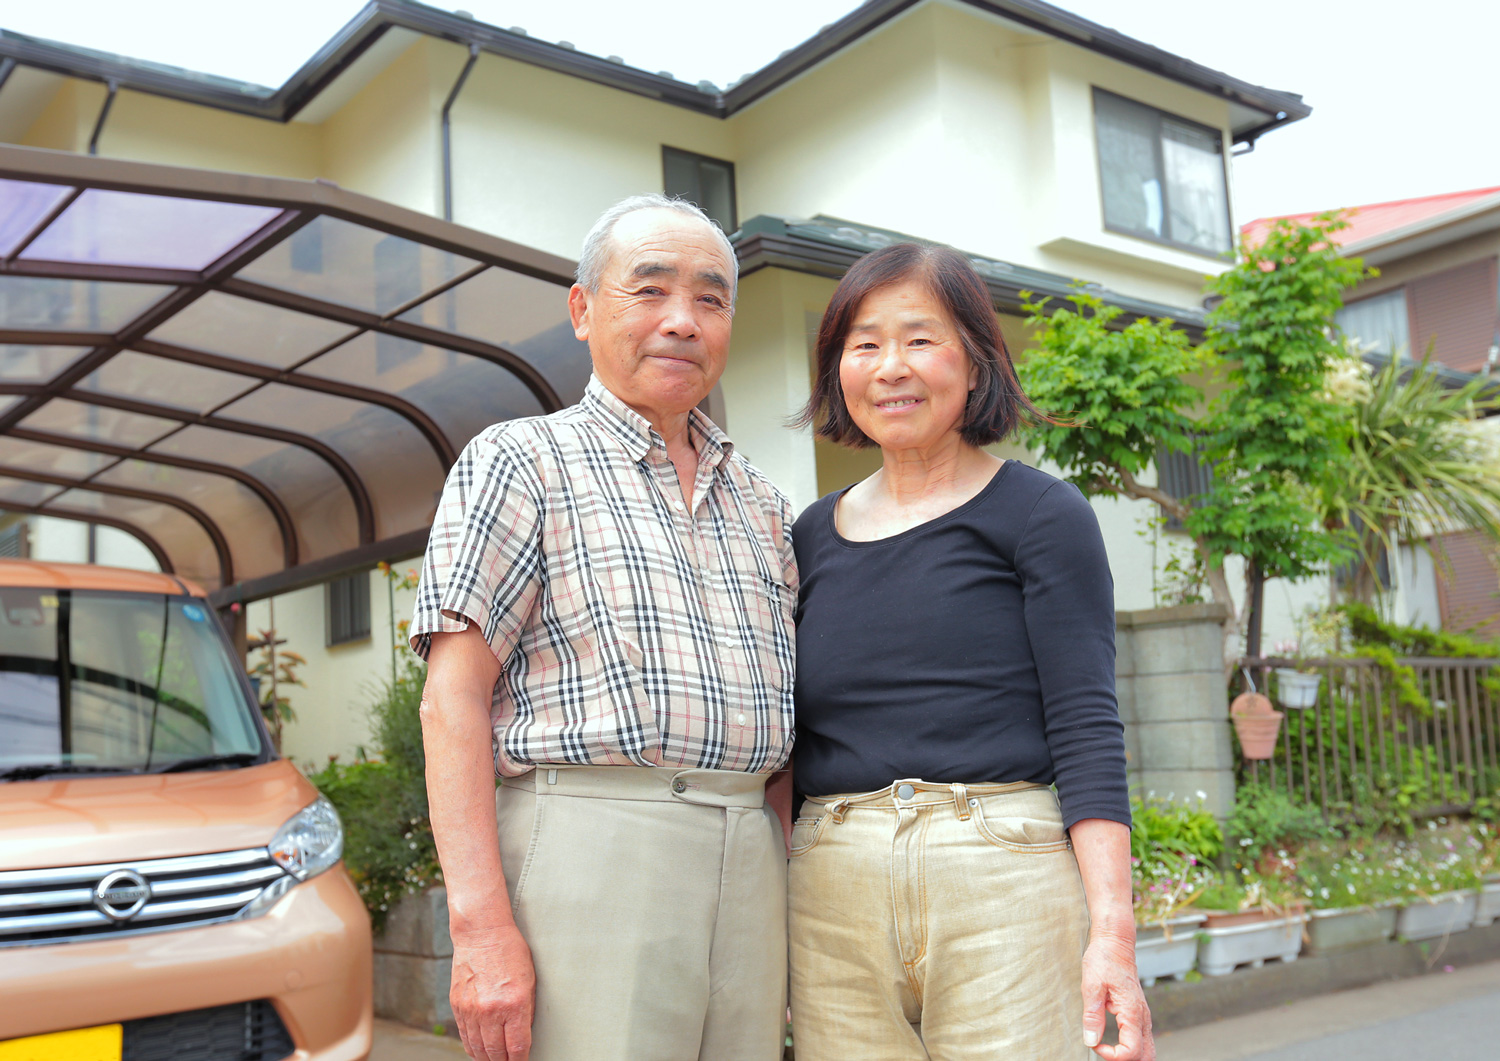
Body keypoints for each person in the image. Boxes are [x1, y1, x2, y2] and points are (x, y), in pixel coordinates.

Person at [410, 194, 797, 1061]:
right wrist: (478, 928)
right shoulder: (520, 459)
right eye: (649, 290)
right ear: (583, 310)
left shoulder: (765, 505)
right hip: (593, 846)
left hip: (749, 854)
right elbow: (451, 700)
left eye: (710, 298)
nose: (682, 321)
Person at [787, 242, 1152, 1061]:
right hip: (831, 878)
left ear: (977, 362)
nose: (892, 367)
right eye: (865, 343)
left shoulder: (1042, 514)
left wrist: (1113, 936)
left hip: (1003, 870)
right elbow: (782, 739)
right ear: (838, 368)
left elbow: (1088, 725)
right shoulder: (805, 536)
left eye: (921, 338)